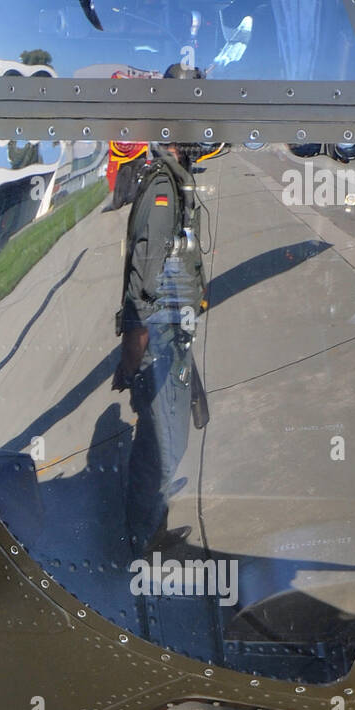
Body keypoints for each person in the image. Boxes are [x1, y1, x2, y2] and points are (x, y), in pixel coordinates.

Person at [112, 138, 208, 556]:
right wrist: (133, 354)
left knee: (164, 441)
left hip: (172, 337)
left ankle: (152, 529)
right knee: (162, 446)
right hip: (160, 343)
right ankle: (141, 543)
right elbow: (143, 286)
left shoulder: (174, 182)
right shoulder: (163, 193)